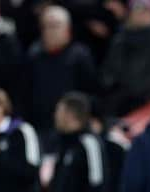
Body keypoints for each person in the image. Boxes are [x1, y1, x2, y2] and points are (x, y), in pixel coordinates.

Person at [26, 5, 98, 134]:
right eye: (46, 26)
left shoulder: (80, 55)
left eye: (55, 26)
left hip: (71, 124)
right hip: (40, 125)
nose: (50, 31)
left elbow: (90, 91)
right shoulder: (34, 55)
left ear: (67, 29)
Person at [100, 0, 150, 115]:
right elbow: (110, 67)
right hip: (120, 98)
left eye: (145, 11)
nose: (140, 15)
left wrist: (135, 90)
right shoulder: (120, 39)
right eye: (137, 11)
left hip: (149, 97)